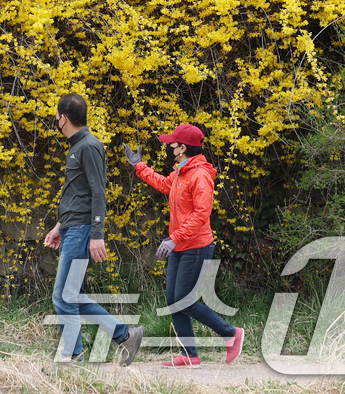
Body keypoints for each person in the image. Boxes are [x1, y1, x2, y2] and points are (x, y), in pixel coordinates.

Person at [125, 124, 245, 367]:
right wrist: (140, 166)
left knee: (184, 300)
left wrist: (174, 237)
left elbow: (202, 214)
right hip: (179, 245)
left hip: (197, 246)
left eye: (173, 143)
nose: (169, 146)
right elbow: (164, 184)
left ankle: (231, 333)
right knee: (173, 299)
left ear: (182, 147)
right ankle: (189, 355)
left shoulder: (199, 175)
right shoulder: (181, 172)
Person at [44, 94, 146, 365]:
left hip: (81, 231)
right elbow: (75, 195)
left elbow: (97, 193)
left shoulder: (89, 146)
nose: (56, 119)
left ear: (63, 118)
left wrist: (97, 235)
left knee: (63, 295)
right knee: (70, 295)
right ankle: (123, 335)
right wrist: (58, 226)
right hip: (71, 228)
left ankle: (72, 356)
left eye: (57, 115)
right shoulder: (78, 146)